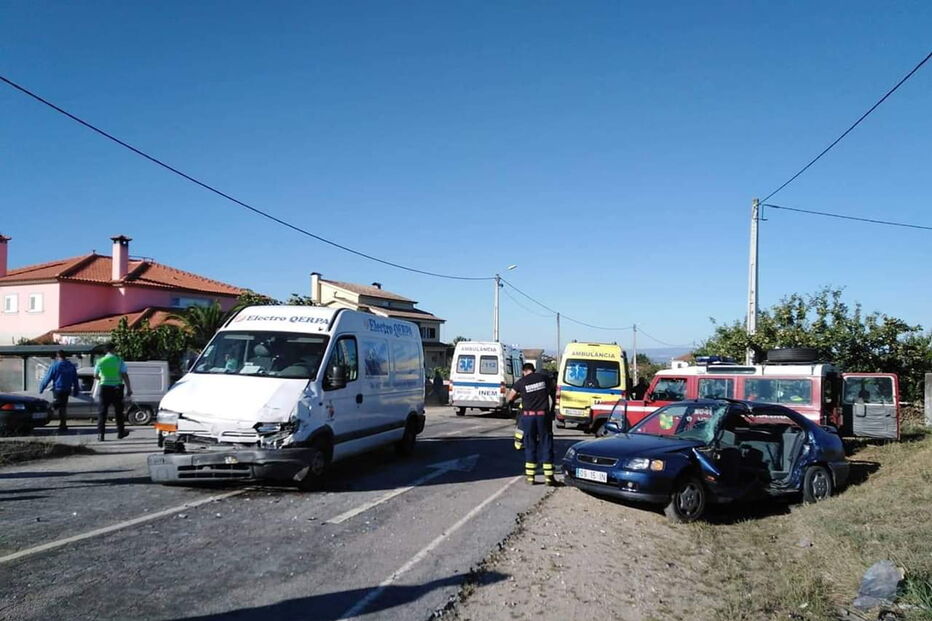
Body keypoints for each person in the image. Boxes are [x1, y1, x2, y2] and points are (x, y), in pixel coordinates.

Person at [506, 363, 557, 486]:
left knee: (530, 445)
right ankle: (549, 478)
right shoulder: (544, 378)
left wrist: (520, 394)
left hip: (528, 417)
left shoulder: (521, 382)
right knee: (546, 443)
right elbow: (553, 389)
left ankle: (530, 477)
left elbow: (509, 397)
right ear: (533, 370)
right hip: (543, 416)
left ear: (524, 371)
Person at [94, 344, 133, 441]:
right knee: (118, 412)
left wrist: (103, 379)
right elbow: (124, 374)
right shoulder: (119, 360)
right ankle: (120, 432)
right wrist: (129, 389)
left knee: (102, 412)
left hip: (104, 388)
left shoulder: (100, 361)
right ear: (113, 350)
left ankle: (100, 435)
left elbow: (95, 375)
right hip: (117, 388)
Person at [39, 350, 80, 434]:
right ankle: (63, 424)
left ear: (58, 356)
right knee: (63, 407)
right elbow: (75, 379)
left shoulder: (55, 365)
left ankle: (49, 408)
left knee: (57, 404)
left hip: (58, 389)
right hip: (67, 389)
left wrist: (42, 387)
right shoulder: (71, 366)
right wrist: (76, 389)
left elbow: (48, 377)